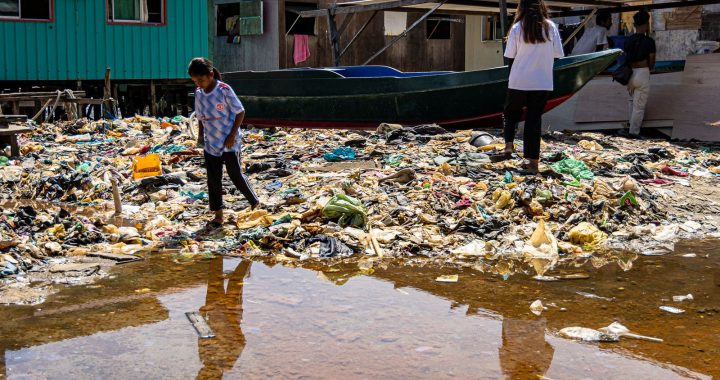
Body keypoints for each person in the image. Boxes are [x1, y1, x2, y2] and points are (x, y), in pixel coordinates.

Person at [188, 57, 260, 228]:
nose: (199, 84)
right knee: (213, 178)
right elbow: (200, 118)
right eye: (195, 81)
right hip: (211, 141)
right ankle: (218, 214)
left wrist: (232, 135)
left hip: (229, 141)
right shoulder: (199, 94)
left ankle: (254, 202)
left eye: (202, 80)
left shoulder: (223, 90)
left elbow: (240, 112)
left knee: (234, 173)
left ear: (210, 75)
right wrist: (200, 138)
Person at [500, 0, 565, 174]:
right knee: (533, 120)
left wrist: (511, 79)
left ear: (522, 7)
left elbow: (510, 57)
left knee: (510, 112)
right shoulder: (550, 27)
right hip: (542, 81)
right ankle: (533, 162)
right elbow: (558, 55)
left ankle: (508, 145)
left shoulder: (516, 28)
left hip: (518, 80)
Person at [623, 10, 655, 138]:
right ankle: (634, 133)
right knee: (639, 107)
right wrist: (649, 69)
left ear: (635, 25)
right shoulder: (649, 41)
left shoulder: (628, 40)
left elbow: (625, 57)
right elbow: (652, 60)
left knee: (632, 102)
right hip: (642, 72)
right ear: (646, 24)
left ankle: (630, 127)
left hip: (630, 73)